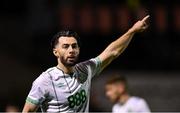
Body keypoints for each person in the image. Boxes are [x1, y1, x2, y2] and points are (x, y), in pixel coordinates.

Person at [22, 15, 150, 112]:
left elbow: (113, 51)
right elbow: (27, 111)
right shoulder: (45, 80)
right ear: (56, 52)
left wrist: (132, 31)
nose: (71, 50)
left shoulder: (85, 69)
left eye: (74, 46)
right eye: (65, 47)